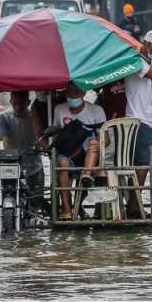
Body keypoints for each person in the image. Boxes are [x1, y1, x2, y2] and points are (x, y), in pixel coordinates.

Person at [125, 32, 152, 218]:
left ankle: (134, 203)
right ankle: (133, 205)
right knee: (141, 165)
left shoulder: (145, 60)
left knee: (144, 165)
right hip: (138, 120)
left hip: (149, 120)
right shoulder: (134, 61)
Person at [52, 82, 106, 220]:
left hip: (91, 156)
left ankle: (86, 177)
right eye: (69, 93)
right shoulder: (59, 109)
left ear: (83, 93)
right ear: (65, 93)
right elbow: (56, 137)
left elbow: (106, 141)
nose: (72, 96)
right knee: (63, 162)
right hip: (68, 155)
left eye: (76, 93)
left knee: (93, 142)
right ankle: (66, 209)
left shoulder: (96, 110)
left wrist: (89, 141)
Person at [0, 91, 45, 213]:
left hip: (34, 165)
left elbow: (40, 138)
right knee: (4, 193)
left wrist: (42, 147)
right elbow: (5, 141)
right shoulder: (4, 117)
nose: (18, 107)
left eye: (22, 104)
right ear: (10, 102)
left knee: (36, 202)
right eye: (15, 104)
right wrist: (8, 155)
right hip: (13, 165)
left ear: (28, 103)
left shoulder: (34, 117)